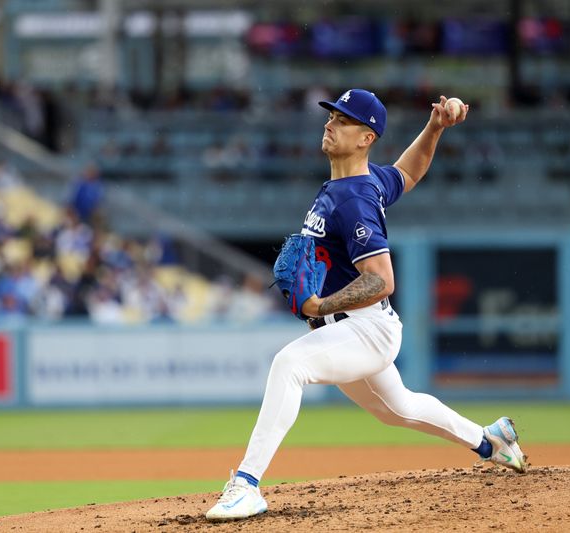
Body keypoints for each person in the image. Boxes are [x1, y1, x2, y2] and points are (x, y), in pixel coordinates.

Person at [205, 89, 527, 521]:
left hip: (365, 328)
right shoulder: (362, 182)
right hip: (352, 328)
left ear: (366, 137)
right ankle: (491, 441)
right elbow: (407, 173)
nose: (330, 123)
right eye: (331, 115)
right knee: (400, 409)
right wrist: (434, 128)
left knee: (289, 365)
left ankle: (246, 485)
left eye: (343, 119)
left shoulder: (354, 198)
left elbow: (381, 280)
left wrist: (318, 307)